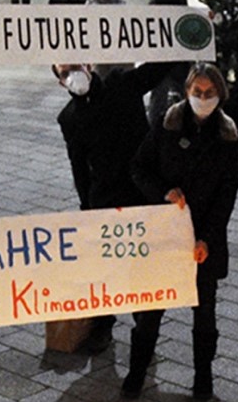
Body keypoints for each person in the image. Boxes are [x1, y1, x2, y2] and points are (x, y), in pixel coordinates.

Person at [126, 63, 238, 400]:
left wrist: (206, 237)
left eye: (209, 93)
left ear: (219, 95)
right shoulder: (168, 125)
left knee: (204, 313)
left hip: (204, 239)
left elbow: (226, 195)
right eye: (197, 92)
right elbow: (139, 168)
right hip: (166, 235)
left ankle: (203, 377)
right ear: (187, 91)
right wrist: (164, 191)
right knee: (150, 312)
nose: (202, 98)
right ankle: (137, 372)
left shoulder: (227, 136)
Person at [53, 59, 165, 353]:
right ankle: (102, 325)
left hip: (141, 193)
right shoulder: (69, 117)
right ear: (60, 82)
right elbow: (79, 166)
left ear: (88, 66)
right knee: (103, 268)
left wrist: (186, 30)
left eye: (75, 68)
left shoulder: (121, 84)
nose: (73, 76)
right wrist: (85, 207)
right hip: (104, 197)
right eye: (65, 74)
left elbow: (158, 68)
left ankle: (144, 332)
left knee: (141, 267)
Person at [146, 0, 192, 128]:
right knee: (160, 91)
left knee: (181, 88)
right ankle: (154, 126)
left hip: (176, 53)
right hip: (163, 55)